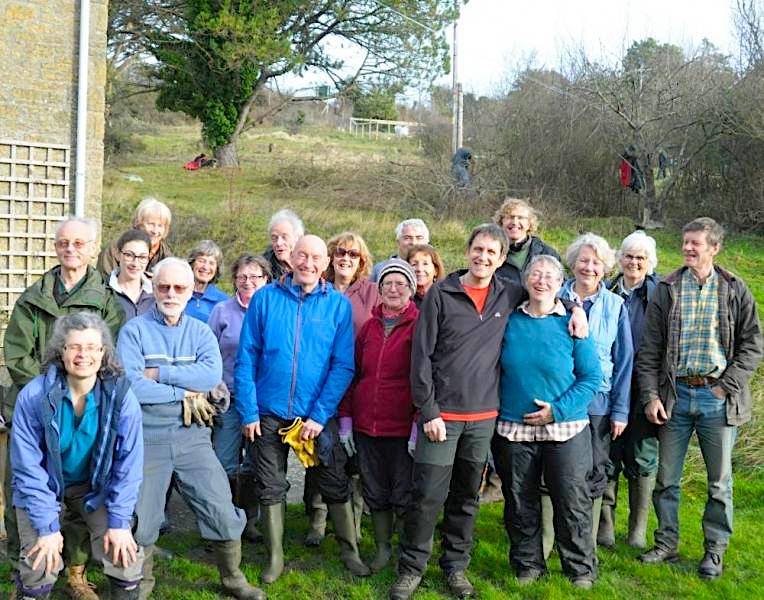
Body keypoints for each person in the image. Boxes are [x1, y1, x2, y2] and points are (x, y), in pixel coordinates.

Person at [390, 224, 587, 600]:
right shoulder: (442, 294)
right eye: (478, 249)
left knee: (466, 497)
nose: (483, 257)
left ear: (501, 260)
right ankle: (411, 568)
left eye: (491, 253)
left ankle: (455, 567)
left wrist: (576, 308)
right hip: (442, 417)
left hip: (483, 419)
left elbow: (546, 290)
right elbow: (421, 358)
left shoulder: (507, 292)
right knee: (427, 495)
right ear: (468, 251)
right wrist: (428, 411)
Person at [117, 258, 264, 600]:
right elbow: (132, 386)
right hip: (147, 437)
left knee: (221, 508)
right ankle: (139, 586)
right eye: (164, 287)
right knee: (141, 517)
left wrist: (159, 373)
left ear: (189, 291)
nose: (171, 293)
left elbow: (210, 376)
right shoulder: (134, 331)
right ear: (154, 290)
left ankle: (233, 579)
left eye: (179, 288)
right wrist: (184, 392)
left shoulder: (200, 332)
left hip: (193, 434)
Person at [234, 235, 368, 584]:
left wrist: (319, 416)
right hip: (268, 412)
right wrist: (248, 411)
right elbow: (246, 356)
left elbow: (343, 365)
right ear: (291, 258)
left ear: (326, 263)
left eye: (316, 257)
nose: (308, 263)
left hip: (315, 415)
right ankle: (275, 557)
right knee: (270, 485)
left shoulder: (337, 305)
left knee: (334, 481)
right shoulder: (265, 299)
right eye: (302, 256)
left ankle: (349, 551)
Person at [4, 216, 125, 600]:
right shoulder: (33, 298)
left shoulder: (107, 303)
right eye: (63, 243)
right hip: (34, 408)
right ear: (56, 247)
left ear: (93, 249)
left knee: (79, 495)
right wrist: (46, 396)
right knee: (23, 490)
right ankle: (25, 569)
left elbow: (107, 356)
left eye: (78, 243)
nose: (70, 249)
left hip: (83, 408)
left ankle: (75, 571)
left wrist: (75, 393)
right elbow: (17, 353)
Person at [637, 218, 762, 580]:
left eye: (696, 243)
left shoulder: (734, 288)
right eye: (685, 242)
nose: (688, 248)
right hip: (674, 396)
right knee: (667, 479)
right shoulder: (668, 288)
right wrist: (651, 396)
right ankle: (666, 544)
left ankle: (714, 551)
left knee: (719, 483)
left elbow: (753, 345)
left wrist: (725, 386)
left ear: (714, 248)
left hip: (716, 398)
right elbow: (650, 349)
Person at [10, 313, 144, 600]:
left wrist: (120, 523)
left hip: (95, 488)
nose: (83, 354)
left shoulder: (122, 398)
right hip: (44, 488)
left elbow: (128, 465)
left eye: (92, 347)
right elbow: (27, 468)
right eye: (74, 347)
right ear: (61, 351)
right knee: (40, 561)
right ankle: (29, 591)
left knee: (124, 555)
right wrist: (47, 527)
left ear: (103, 352)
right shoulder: (34, 396)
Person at [491, 255, 601, 589]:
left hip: (565, 429)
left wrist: (557, 410)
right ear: (526, 280)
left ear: (560, 283)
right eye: (535, 274)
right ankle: (528, 565)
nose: (542, 280)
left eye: (550, 276)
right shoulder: (508, 320)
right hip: (514, 429)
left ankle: (580, 569)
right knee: (519, 501)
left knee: (571, 501)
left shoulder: (572, 322)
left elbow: (591, 378)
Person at [338, 259, 419, 573]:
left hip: (401, 428)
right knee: (375, 490)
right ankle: (383, 548)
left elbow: (426, 380)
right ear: (379, 289)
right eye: (387, 284)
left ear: (411, 289)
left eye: (400, 284)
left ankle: (406, 551)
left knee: (404, 492)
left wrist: (417, 425)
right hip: (366, 427)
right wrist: (346, 420)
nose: (393, 289)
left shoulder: (419, 325)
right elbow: (354, 374)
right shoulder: (369, 328)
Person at [555, 233, 633, 551]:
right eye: (583, 260)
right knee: (558, 468)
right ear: (573, 263)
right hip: (560, 396)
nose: (589, 267)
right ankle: (554, 534)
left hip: (598, 399)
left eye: (596, 262)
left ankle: (586, 539)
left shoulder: (616, 306)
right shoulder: (553, 297)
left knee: (595, 468)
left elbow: (624, 361)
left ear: (605, 268)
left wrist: (620, 410)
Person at [303, 232, 380, 547]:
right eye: (340, 252)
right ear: (330, 258)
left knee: (356, 458)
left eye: (353, 254)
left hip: (359, 385)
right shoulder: (316, 289)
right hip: (322, 386)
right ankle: (318, 519)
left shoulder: (372, 293)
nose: (346, 258)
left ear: (362, 261)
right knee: (322, 452)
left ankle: (354, 522)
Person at [599, 231, 660, 549]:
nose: (634, 262)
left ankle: (637, 529)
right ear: (619, 258)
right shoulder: (607, 291)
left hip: (644, 388)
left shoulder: (660, 296)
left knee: (642, 456)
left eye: (641, 258)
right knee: (608, 455)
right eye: (628, 256)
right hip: (609, 387)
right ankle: (605, 526)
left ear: (650, 263)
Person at [208, 254, 272, 542]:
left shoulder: (272, 310)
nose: (248, 282)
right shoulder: (222, 311)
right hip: (230, 399)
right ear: (234, 279)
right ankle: (223, 520)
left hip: (261, 402)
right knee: (224, 463)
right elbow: (208, 354)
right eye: (242, 277)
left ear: (266, 280)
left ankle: (250, 520)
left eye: (255, 277)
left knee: (255, 464)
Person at [97, 197, 173, 278]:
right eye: (151, 224)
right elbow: (104, 280)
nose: (155, 231)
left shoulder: (168, 259)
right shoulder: (114, 250)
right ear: (138, 223)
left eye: (160, 226)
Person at [493, 198, 561, 285]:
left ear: (529, 224)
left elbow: (560, 283)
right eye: (510, 217)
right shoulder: (492, 252)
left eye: (520, 218)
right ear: (501, 222)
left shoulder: (547, 253)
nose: (515, 222)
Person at [106, 229, 155, 320]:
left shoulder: (156, 294)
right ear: (117, 254)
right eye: (129, 255)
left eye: (142, 257)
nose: (135, 263)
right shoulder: (104, 291)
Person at [184, 240, 229, 323]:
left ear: (216, 269)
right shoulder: (178, 293)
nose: (206, 267)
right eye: (201, 261)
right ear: (192, 263)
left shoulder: (224, 302)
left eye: (211, 263)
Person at [262, 209, 304, 280]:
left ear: (298, 238)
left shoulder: (310, 264)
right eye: (274, 238)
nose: (278, 243)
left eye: (284, 237)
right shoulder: (262, 269)